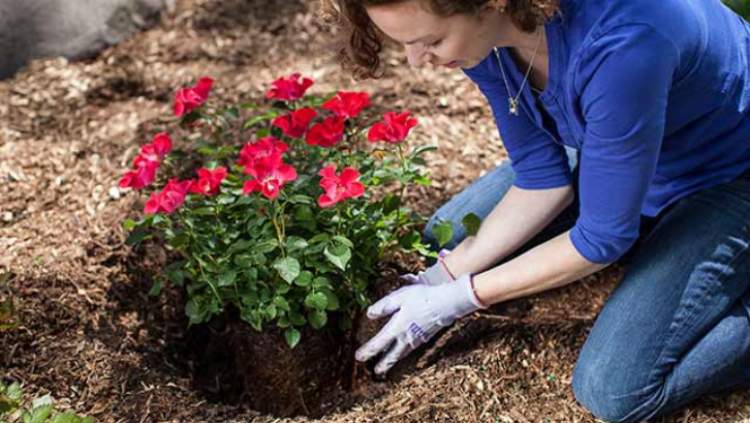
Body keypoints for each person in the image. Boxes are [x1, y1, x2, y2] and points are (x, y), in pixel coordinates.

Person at [322, 0, 750, 421]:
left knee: (612, 388)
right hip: (631, 152)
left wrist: (459, 298)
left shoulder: (626, 43)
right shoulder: (488, 43)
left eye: (430, 40)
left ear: (491, 4)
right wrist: (441, 276)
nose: (417, 62)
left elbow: (601, 239)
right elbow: (541, 177)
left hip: (726, 174)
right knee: (448, 236)